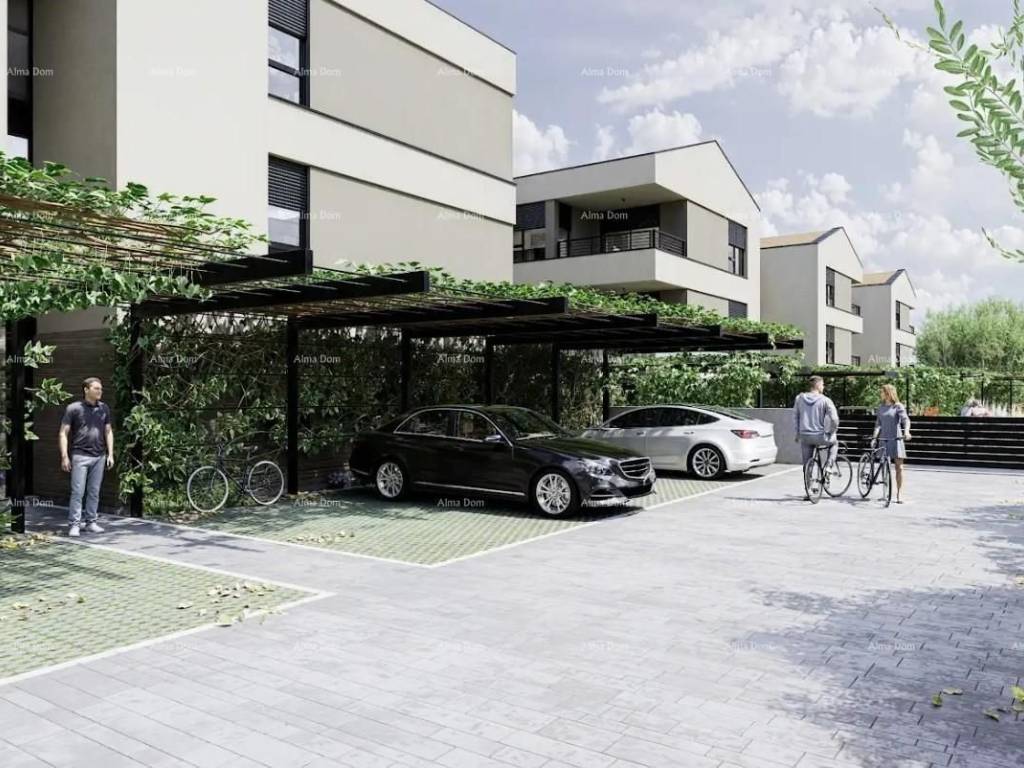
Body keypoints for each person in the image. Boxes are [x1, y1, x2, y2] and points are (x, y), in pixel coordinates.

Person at [59, 377, 114, 537]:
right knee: (77, 492)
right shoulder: (74, 408)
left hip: (99, 456)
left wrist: (110, 454)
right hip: (80, 456)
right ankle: (74, 525)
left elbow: (108, 431)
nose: (100, 391)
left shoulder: (104, 408)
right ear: (86, 390)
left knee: (94, 492)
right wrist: (64, 456)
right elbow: (63, 433)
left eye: (101, 388)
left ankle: (91, 522)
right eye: (96, 388)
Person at [793, 376, 840, 498]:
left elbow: (796, 417)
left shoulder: (799, 398)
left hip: (805, 435)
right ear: (818, 385)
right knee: (835, 443)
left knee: (807, 464)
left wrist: (797, 433)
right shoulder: (825, 400)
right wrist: (831, 431)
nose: (823, 387)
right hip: (820, 436)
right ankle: (829, 466)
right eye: (823, 384)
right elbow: (835, 419)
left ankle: (808, 491)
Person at [873, 383, 912, 503]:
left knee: (899, 467)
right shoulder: (881, 407)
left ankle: (899, 493)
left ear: (888, 393)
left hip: (896, 439)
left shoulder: (897, 406)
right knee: (884, 466)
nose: (880, 394)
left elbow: (906, 420)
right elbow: (878, 424)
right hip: (884, 439)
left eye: (882, 392)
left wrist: (906, 431)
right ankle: (885, 492)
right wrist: (874, 437)